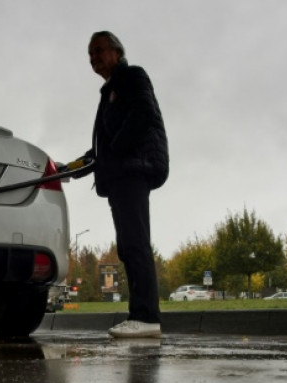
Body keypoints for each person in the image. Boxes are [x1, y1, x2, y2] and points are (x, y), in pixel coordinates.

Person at [68, 31, 169, 338]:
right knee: (128, 246)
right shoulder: (108, 91)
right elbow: (101, 148)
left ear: (116, 51)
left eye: (98, 50)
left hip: (133, 170)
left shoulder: (132, 76)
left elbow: (143, 114)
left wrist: (116, 152)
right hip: (120, 173)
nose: (93, 57)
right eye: (89, 54)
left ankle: (147, 318)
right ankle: (141, 317)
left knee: (135, 243)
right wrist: (70, 168)